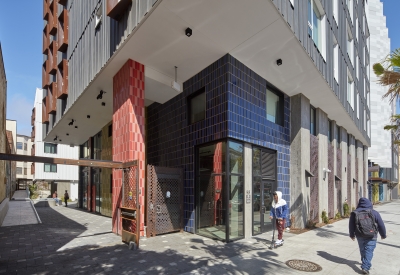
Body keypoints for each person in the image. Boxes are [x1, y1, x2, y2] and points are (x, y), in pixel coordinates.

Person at [349, 197, 386, 274]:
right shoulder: (374, 212)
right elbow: (381, 225)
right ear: (369, 203)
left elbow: (351, 225)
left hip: (359, 235)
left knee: (363, 250)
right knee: (369, 250)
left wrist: (352, 234)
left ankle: (364, 263)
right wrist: (383, 234)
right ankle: (365, 267)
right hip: (372, 235)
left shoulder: (354, 213)